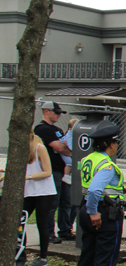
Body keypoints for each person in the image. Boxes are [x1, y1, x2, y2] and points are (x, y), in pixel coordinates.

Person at [68, 123, 126, 266]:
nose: (116, 145)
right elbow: (96, 190)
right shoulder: (106, 165)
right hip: (102, 214)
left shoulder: (88, 159)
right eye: (115, 142)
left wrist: (123, 188)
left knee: (87, 259)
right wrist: (94, 212)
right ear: (109, 145)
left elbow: (95, 187)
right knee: (105, 262)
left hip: (86, 211)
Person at [33, 100, 73, 243]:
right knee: (52, 203)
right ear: (46, 111)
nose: (58, 116)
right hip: (52, 170)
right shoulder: (42, 129)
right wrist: (73, 152)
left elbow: (65, 145)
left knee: (66, 202)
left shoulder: (58, 130)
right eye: (56, 113)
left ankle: (65, 230)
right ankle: (49, 233)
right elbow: (60, 148)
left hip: (63, 171)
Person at [22, 130, 56, 266]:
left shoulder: (39, 147)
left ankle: (43, 258)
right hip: (29, 192)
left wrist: (28, 177)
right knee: (21, 220)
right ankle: (19, 253)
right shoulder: (21, 148)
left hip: (44, 191)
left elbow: (48, 172)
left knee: (41, 223)